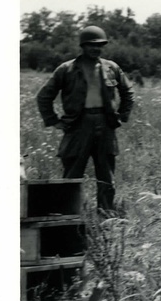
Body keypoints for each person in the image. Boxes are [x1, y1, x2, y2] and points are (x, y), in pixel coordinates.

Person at [35, 25, 135, 214]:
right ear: (83, 46)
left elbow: (128, 91)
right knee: (72, 174)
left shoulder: (111, 68)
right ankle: (67, 217)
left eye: (99, 45)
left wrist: (121, 115)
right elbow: (44, 96)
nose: (95, 49)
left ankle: (105, 217)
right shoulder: (67, 69)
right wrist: (54, 120)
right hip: (78, 126)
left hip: (105, 126)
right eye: (91, 45)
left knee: (106, 176)